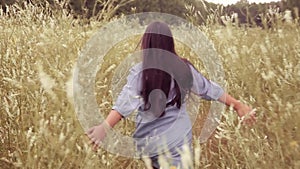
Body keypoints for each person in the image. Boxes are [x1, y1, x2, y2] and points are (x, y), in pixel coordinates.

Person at [86, 21, 256, 168]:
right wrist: (239, 105)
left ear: (146, 43)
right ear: (170, 44)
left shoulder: (140, 72)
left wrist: (104, 128)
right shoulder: (183, 68)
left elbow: (123, 105)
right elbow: (210, 90)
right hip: (177, 144)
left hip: (148, 144)